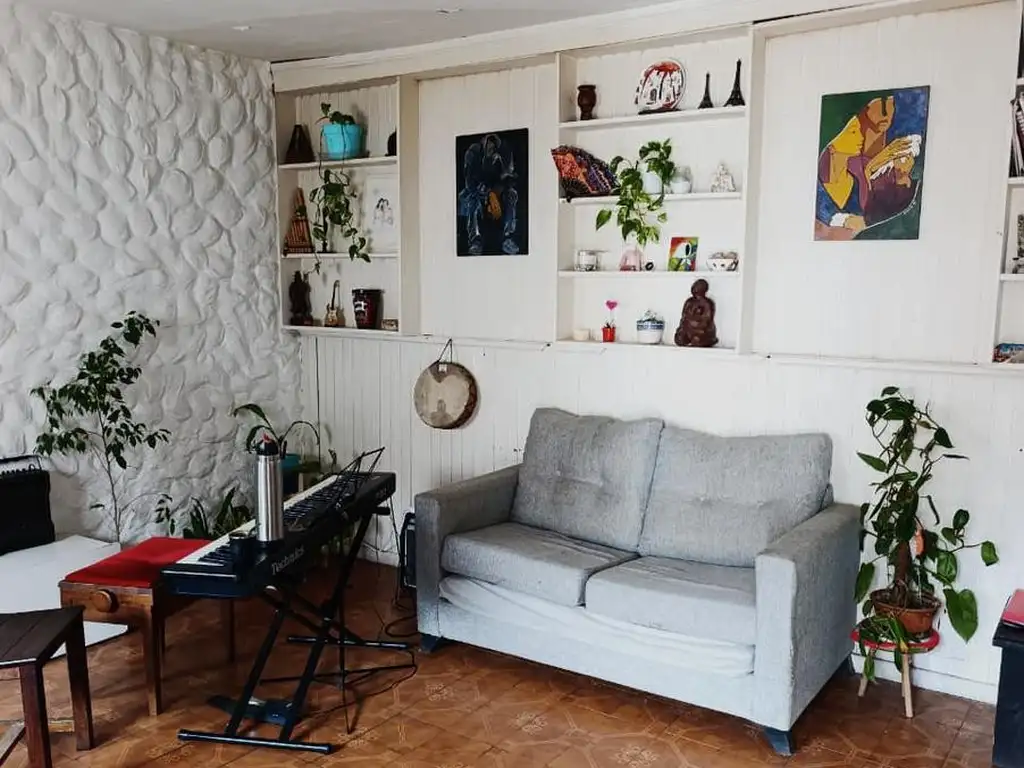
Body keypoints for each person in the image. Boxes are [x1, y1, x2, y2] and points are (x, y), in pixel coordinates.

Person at [457, 133, 520, 255]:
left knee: (511, 194)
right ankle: (475, 240)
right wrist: (484, 191)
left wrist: (498, 187)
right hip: (476, 189)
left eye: (494, 147)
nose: (491, 150)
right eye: (489, 146)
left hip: (495, 191)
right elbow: (469, 181)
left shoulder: (501, 155)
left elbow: (508, 177)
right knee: (472, 199)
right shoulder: (473, 153)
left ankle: (507, 236)